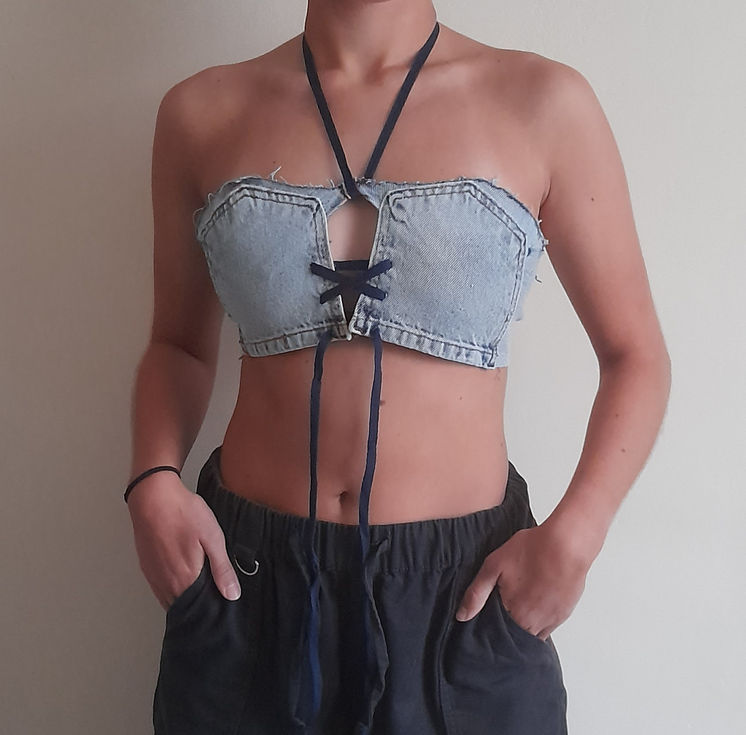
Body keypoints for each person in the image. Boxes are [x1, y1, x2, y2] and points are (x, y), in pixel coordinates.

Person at [125, 1, 671, 733]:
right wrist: (152, 481)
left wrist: (580, 530)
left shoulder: (543, 103)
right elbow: (178, 346)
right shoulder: (200, 113)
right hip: (246, 583)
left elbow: (635, 354)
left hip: (466, 596)